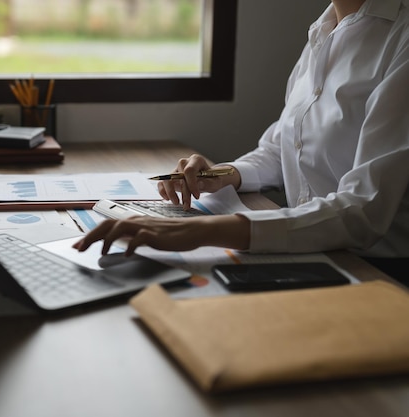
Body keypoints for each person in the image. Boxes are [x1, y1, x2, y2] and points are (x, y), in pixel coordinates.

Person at [73, 0, 409, 284]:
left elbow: (363, 210)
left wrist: (199, 231)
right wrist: (221, 174)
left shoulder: (400, 38)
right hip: (305, 251)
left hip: (376, 273)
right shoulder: (323, 32)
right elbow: (281, 149)